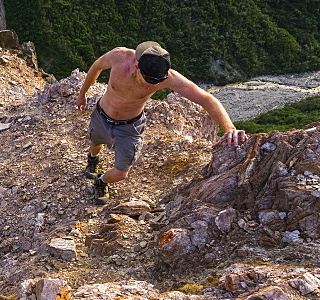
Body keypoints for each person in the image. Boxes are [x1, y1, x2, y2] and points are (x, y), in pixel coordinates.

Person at [76, 41, 247, 205]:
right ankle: (92, 159)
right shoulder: (118, 57)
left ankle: (101, 181)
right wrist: (83, 93)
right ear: (137, 65)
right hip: (102, 114)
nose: (153, 86)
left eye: (157, 82)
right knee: (96, 141)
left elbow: (206, 98)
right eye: (148, 80)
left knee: (121, 174)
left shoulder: (167, 78)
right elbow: (97, 66)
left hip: (130, 126)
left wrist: (229, 128)